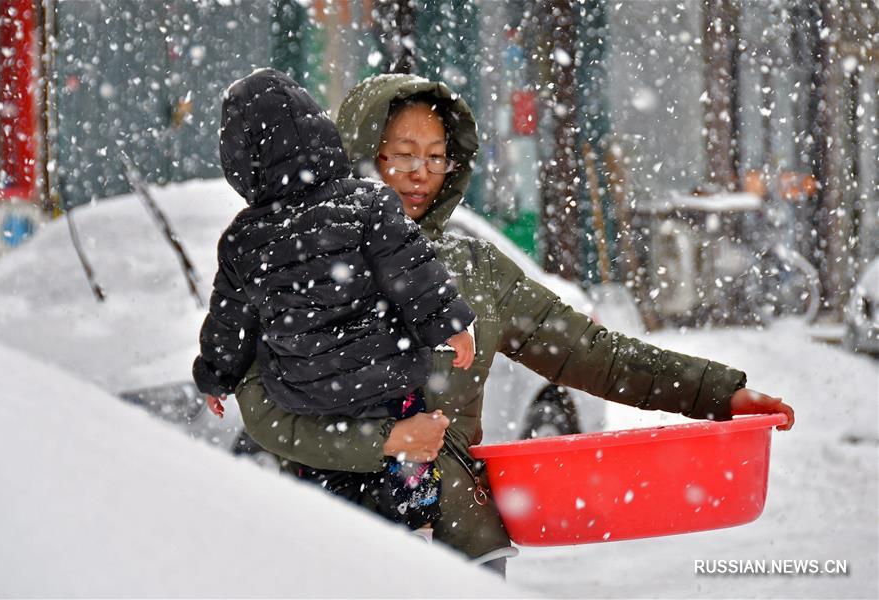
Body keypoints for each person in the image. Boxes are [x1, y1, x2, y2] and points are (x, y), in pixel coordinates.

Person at [230, 74, 795, 575]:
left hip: (460, 548)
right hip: (331, 549)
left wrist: (720, 393)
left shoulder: (474, 271)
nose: (420, 174)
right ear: (357, 155)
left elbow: (597, 353)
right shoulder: (291, 261)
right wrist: (384, 442)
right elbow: (263, 413)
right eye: (400, 154)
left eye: (436, 156)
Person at [192, 69, 479, 531]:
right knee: (407, 507)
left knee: (330, 517)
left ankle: (343, 546)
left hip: (309, 397)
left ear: (242, 162)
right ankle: (413, 529)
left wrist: (216, 375)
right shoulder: (367, 203)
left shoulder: (243, 241)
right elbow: (409, 267)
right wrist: (448, 321)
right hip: (389, 382)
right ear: (324, 135)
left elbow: (231, 323)